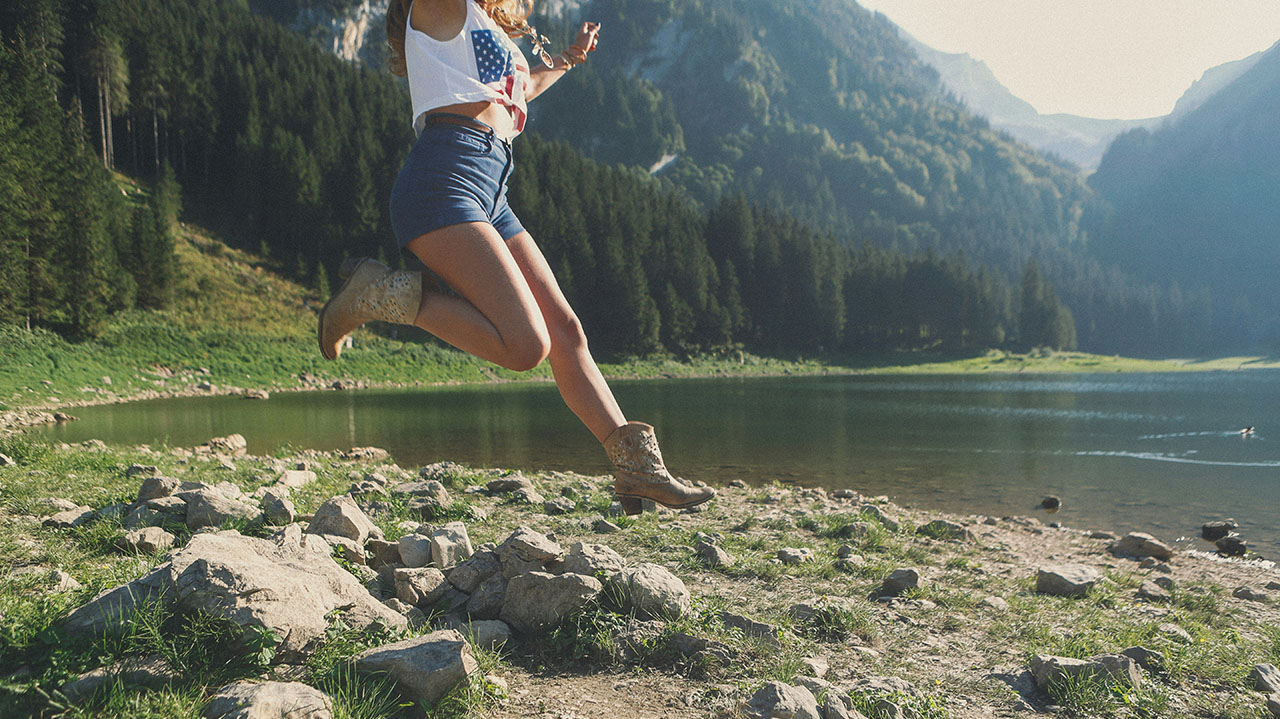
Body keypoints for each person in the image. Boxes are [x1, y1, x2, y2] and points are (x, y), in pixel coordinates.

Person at [317, 0, 714, 515]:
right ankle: (378, 293)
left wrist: (567, 60)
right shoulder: (442, 11)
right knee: (526, 345)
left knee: (566, 332)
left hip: (491, 188)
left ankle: (637, 472)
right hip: (443, 181)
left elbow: (519, 91)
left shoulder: (484, 29)